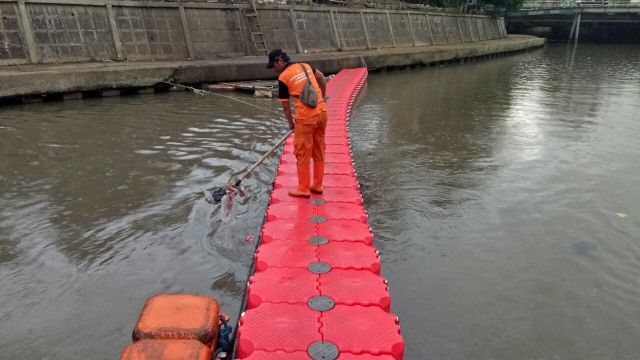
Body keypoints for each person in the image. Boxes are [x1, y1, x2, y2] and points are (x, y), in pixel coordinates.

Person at [267, 48, 328, 198]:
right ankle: (317, 185)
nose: (274, 69)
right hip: (322, 113)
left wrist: (291, 124)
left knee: (302, 152)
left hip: (306, 118)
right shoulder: (305, 66)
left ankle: (303, 188)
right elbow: (321, 77)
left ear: (280, 61)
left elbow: (286, 106)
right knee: (319, 148)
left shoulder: (283, 77)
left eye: (273, 66)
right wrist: (323, 97)